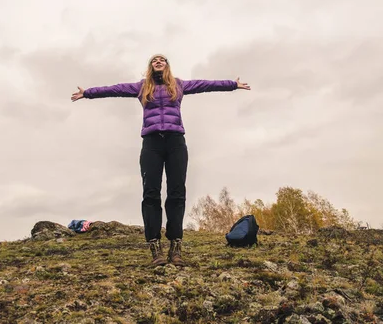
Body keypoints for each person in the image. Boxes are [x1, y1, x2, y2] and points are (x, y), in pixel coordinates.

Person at [71, 54, 250, 266]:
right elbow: (115, 89)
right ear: (150, 66)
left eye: (162, 59)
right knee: (151, 194)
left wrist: (232, 85)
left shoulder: (179, 85)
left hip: (175, 142)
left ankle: (176, 248)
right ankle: (155, 249)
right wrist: (88, 93)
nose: (158, 61)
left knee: (176, 193)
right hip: (151, 143)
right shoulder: (142, 87)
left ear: (167, 65)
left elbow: (205, 84)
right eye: (155, 60)